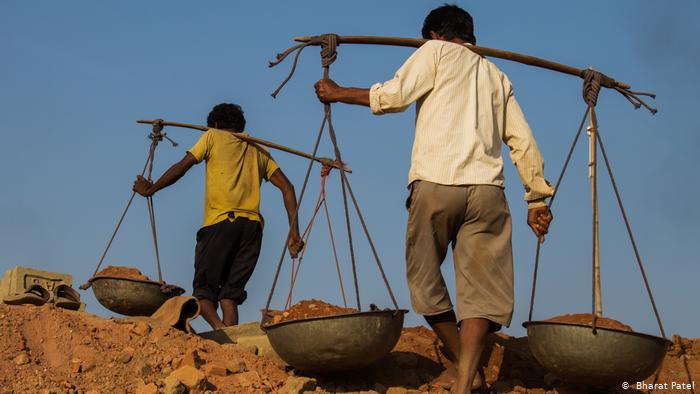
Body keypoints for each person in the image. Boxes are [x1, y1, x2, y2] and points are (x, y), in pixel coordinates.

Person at [314, 5, 554, 393]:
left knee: (424, 278)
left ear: (435, 34)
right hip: (488, 192)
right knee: (480, 293)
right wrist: (537, 198)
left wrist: (338, 93)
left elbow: (394, 96)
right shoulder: (497, 75)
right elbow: (522, 140)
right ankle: (466, 378)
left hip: (437, 183)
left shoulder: (433, 52)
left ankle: (463, 367)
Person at [133, 103, 304, 330]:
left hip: (221, 223)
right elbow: (288, 188)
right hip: (252, 228)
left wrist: (150, 189)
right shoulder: (258, 149)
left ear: (214, 125)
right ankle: (231, 341)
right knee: (229, 296)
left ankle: (221, 332)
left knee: (203, 291)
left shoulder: (212, 136)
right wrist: (294, 232)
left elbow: (181, 167)